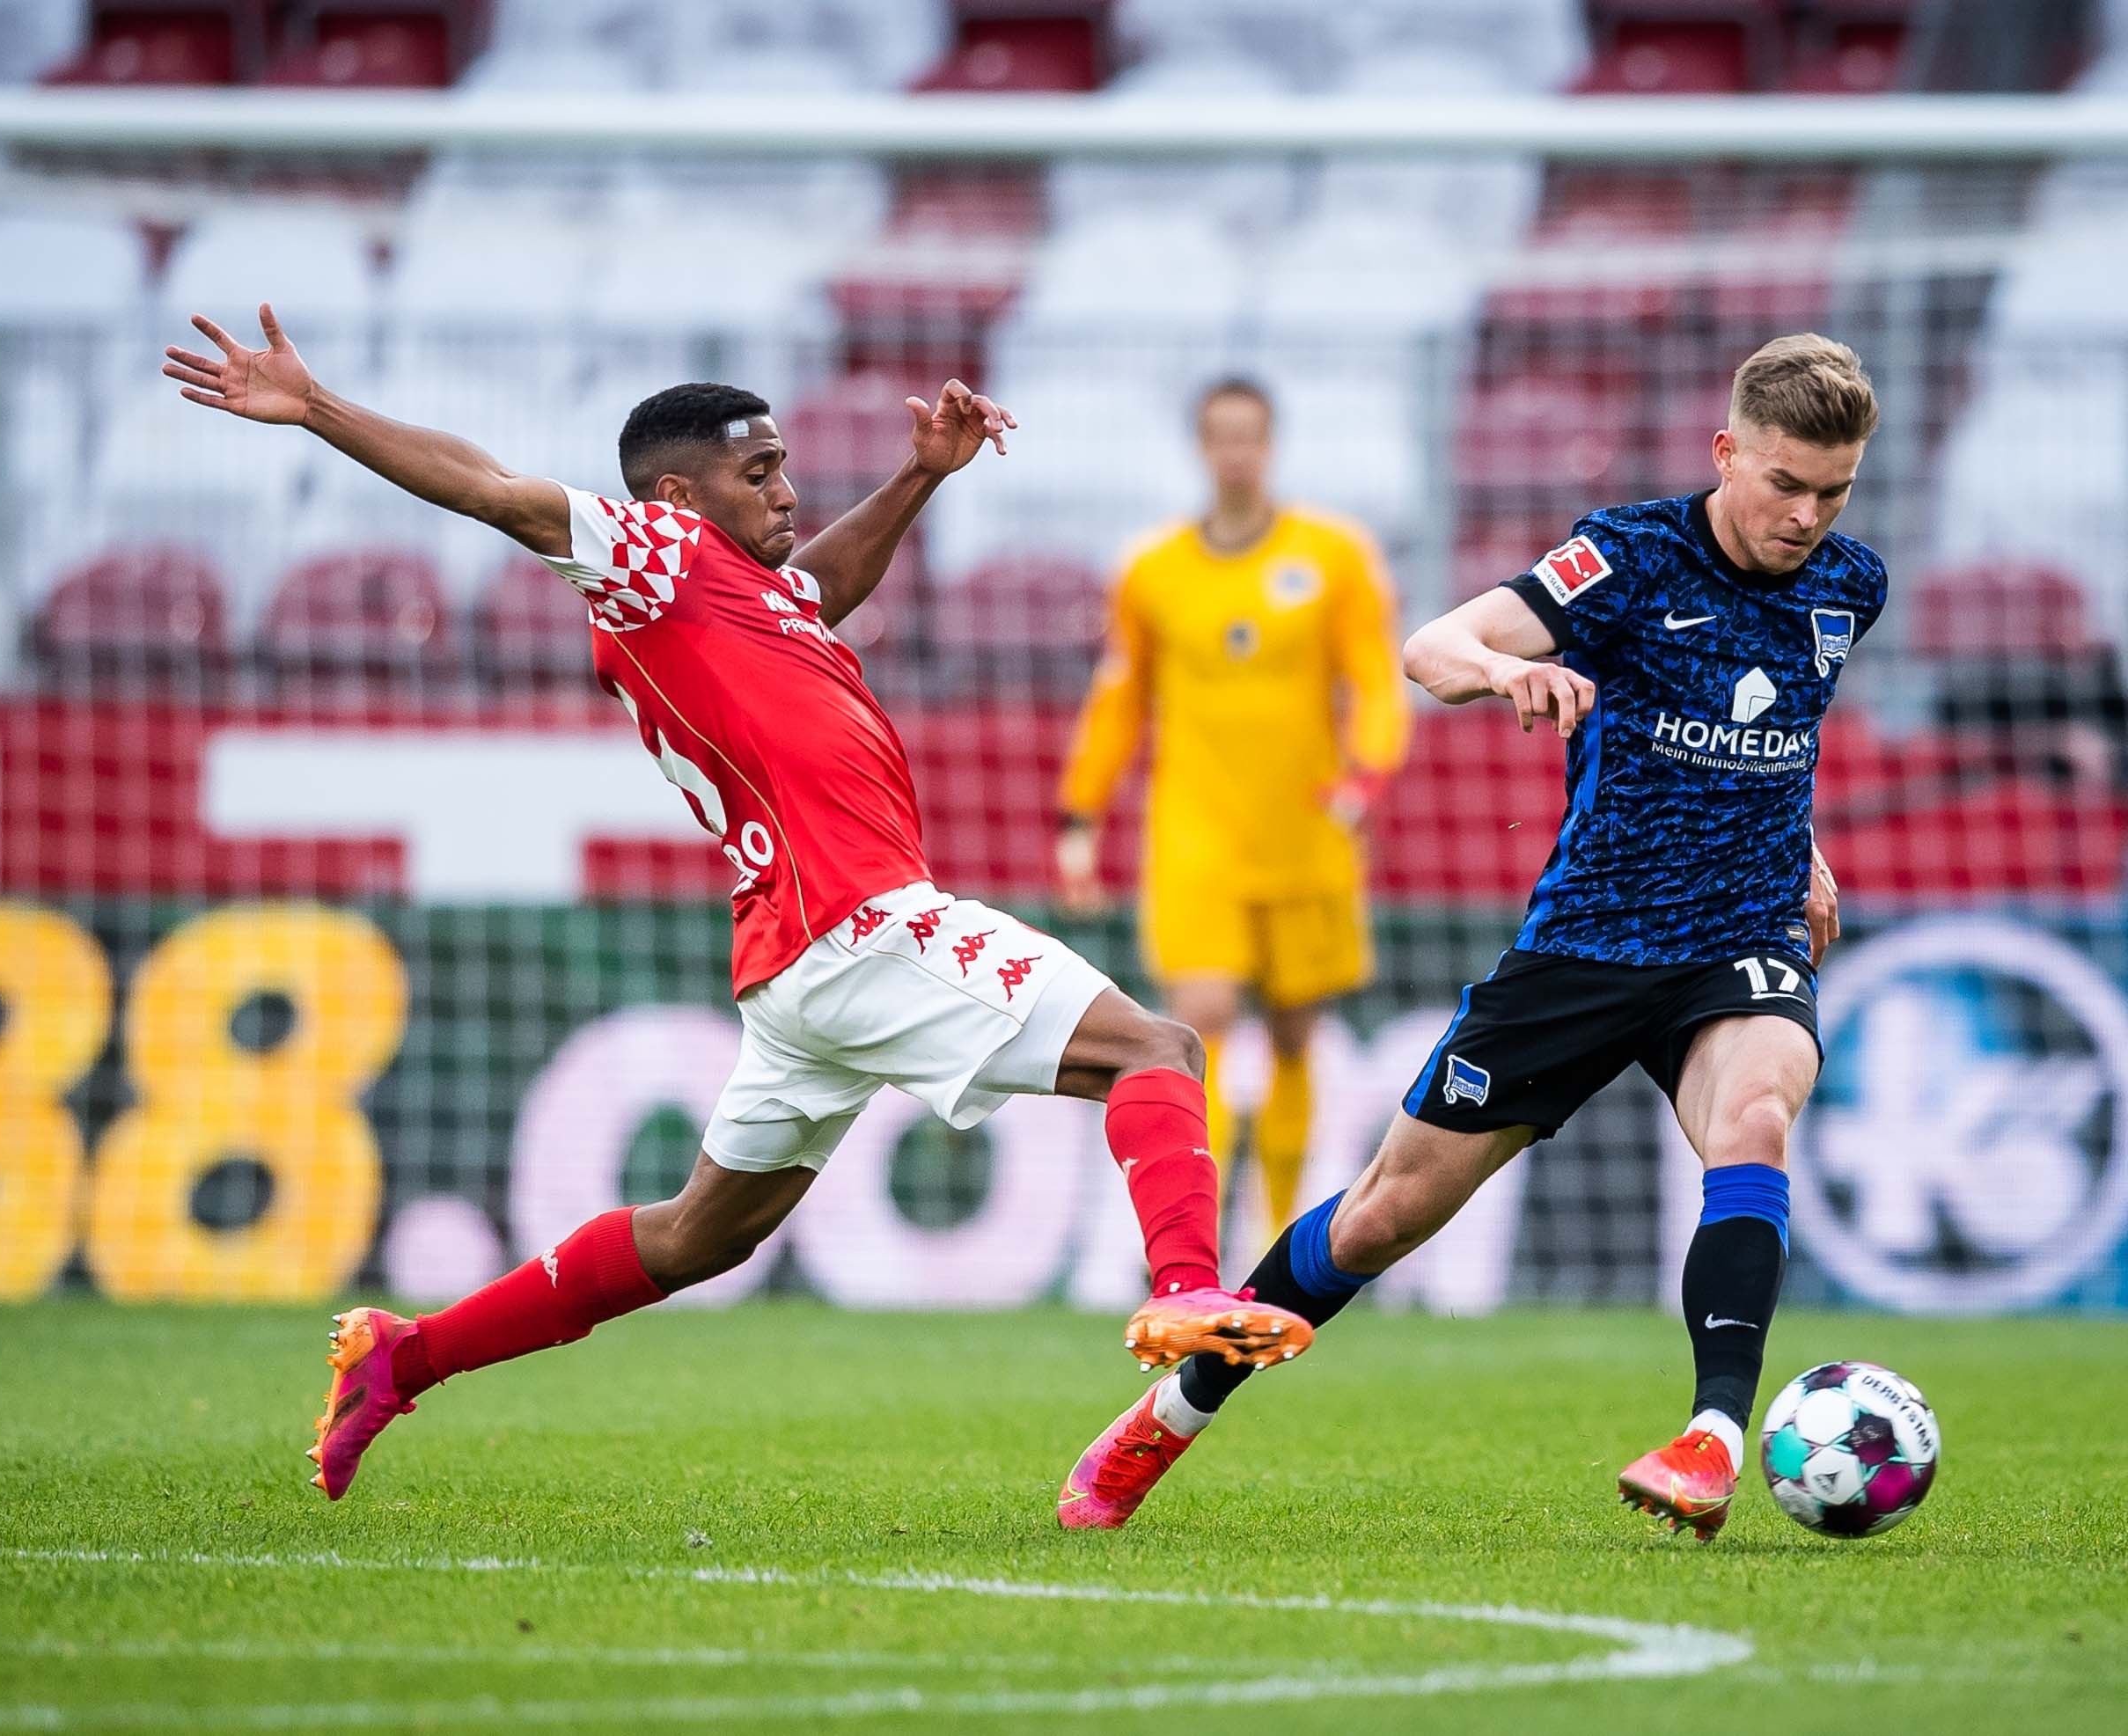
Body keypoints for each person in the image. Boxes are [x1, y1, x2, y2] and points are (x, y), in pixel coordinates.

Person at [159, 304, 1311, 1501]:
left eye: (786, 468)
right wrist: (322, 407)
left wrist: (918, 478)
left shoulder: (752, 592)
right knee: (1155, 1046)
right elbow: (497, 489)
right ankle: (1186, 1292)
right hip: (860, 925)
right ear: (673, 496)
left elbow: (824, 587)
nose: (787, 491)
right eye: (759, 473)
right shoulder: (653, 559)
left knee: (700, 1234)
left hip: (796, 960)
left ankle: (407, 1357)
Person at [1054, 334, 1877, 1538]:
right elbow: (1428, 647)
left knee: (1755, 1120)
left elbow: (1778, 737)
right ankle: (1169, 1416)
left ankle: (1710, 1436)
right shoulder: (1632, 555)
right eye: (1784, 483)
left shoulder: (1851, 586)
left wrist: (1797, 853)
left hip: (1739, 937)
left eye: (1833, 490)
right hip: (1589, 945)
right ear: (1726, 451)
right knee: (1384, 1213)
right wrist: (1504, 673)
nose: (1807, 515)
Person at [1053, 377, 1409, 1241]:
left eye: (1250, 435)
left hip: (1305, 832)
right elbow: (1117, 699)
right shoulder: (1153, 570)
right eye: (1221, 436)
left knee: (1293, 1037)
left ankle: (1278, 1229)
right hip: (1194, 835)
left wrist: (1364, 778)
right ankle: (1195, 1239)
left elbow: (1374, 679)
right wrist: (1079, 816)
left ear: (1270, 442)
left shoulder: (1332, 555)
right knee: (1196, 1022)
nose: (1236, 452)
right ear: (1201, 447)